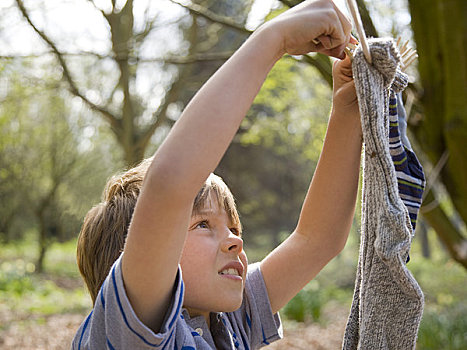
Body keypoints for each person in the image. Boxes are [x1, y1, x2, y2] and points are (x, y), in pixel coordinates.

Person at [72, 0, 362, 348]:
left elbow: (317, 240)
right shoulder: (129, 334)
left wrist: (347, 107)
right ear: (138, 248)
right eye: (203, 225)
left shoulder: (229, 321)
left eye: (234, 227)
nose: (235, 241)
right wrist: (275, 39)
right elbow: (170, 186)